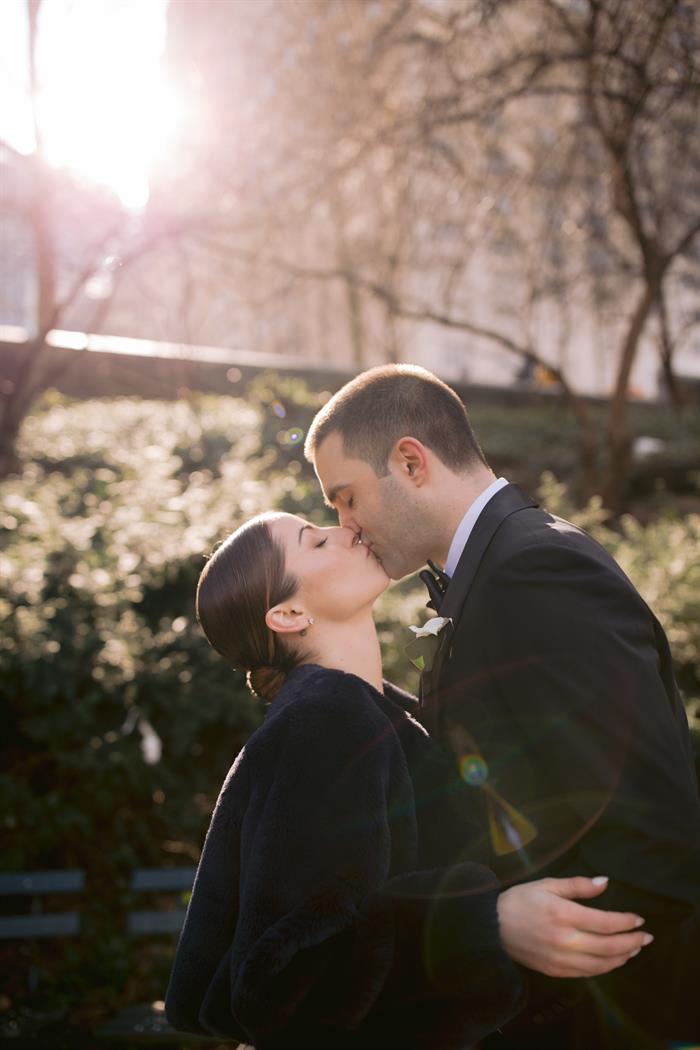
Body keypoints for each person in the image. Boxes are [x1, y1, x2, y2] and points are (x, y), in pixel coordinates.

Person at [305, 363, 700, 1048]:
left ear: (410, 461)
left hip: (607, 1010)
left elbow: (652, 824)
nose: (347, 526)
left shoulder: (534, 572)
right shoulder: (493, 571)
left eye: (347, 498)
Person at [164, 511, 652, 1049]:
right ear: (289, 613)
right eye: (317, 541)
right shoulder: (322, 720)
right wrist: (487, 926)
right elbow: (287, 983)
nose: (347, 530)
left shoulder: (372, 717)